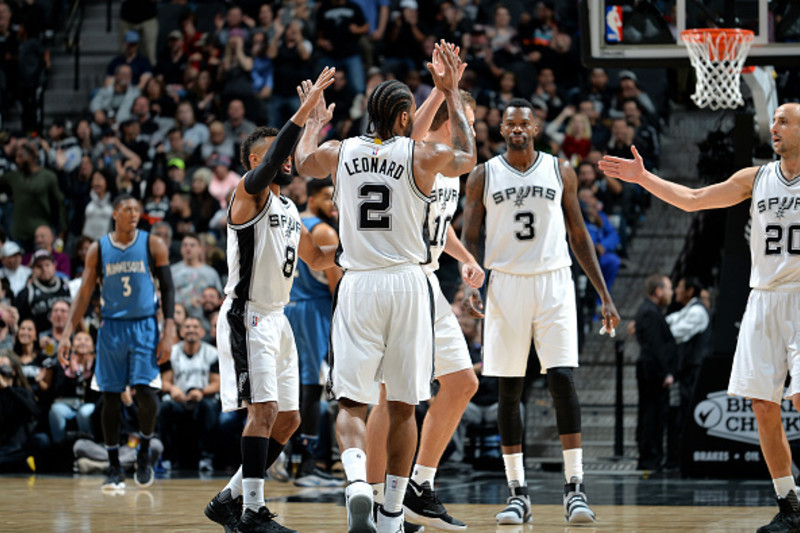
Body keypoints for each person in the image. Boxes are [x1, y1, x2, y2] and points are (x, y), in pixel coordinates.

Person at [295, 41, 476, 533]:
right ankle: (393, 512)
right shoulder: (421, 155)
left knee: (353, 402)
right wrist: (451, 93)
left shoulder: (342, 151)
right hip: (408, 284)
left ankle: (356, 484)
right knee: (402, 406)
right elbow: (467, 155)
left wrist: (312, 122)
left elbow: (303, 159)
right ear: (403, 119)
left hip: (357, 285)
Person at [598, 102, 800, 532]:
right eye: (775, 120)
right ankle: (790, 506)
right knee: (764, 406)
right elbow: (692, 200)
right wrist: (643, 177)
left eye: (785, 120)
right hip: (763, 299)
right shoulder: (756, 177)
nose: (775, 126)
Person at [461, 97, 620, 525]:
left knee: (562, 378)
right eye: (510, 123)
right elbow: (469, 234)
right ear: (502, 130)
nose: (517, 128)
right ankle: (518, 492)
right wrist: (470, 280)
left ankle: (575, 488)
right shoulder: (482, 175)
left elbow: (579, 233)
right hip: (505, 283)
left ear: (535, 128)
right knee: (509, 390)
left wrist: (603, 294)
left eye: (523, 123)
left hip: (554, 282)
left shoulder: (559, 169)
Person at [204, 68, 337, 533]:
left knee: (290, 418)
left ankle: (229, 498)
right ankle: (252, 514)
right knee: (262, 412)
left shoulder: (287, 208)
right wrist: (305, 116)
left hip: (277, 319)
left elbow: (318, 259)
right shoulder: (248, 193)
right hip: (247, 315)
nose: (285, 162)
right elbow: (280, 151)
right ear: (256, 160)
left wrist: (362, 238)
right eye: (274, 155)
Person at [363, 88, 483, 531]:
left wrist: (467, 258)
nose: (472, 128)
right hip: (399, 279)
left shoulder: (448, 169)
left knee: (461, 384)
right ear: (448, 121)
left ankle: (419, 486)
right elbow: (409, 139)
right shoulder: (417, 154)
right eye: (465, 119)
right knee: (390, 396)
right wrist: (442, 89)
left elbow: (440, 226)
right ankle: (377, 499)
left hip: (428, 280)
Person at [57, 194, 178, 491]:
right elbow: (84, 294)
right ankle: (113, 465)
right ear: (114, 213)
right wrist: (66, 334)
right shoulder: (98, 249)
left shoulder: (153, 244)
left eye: (137, 209)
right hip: (111, 327)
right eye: (127, 209)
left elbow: (168, 287)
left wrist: (169, 327)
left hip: (144, 325)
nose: (134, 213)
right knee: (109, 397)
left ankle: (145, 451)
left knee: (146, 391)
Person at [284, 176, 344, 488]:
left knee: (293, 386)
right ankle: (307, 464)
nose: (333, 205)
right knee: (311, 385)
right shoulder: (323, 230)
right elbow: (338, 288)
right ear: (311, 197)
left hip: (289, 307)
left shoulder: (292, 223)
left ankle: (290, 456)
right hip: (314, 310)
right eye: (327, 198)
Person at [159, 316, 219, 471]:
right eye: (187, 327)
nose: (191, 330)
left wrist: (202, 391)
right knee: (164, 407)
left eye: (195, 327)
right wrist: (173, 389)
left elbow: (218, 383)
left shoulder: (212, 353)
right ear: (181, 331)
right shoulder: (171, 352)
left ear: (202, 332)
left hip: (202, 399)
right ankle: (167, 459)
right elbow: (163, 381)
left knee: (209, 407)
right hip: (179, 399)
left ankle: (207, 459)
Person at [632, 274, 677, 471]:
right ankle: (650, 456)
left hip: (652, 370)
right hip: (653, 373)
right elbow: (655, 346)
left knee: (652, 414)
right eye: (668, 288)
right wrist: (666, 371)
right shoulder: (650, 313)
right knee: (652, 415)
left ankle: (651, 455)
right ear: (658, 291)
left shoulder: (650, 311)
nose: (671, 292)